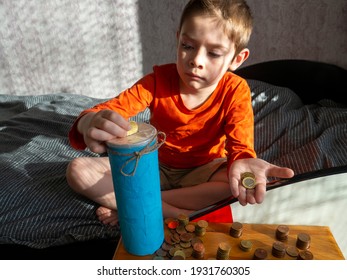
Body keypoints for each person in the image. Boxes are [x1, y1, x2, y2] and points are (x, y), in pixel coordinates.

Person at [66, 0, 294, 226]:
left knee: (232, 185)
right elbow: (105, 110)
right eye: (188, 46)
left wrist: (243, 163)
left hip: (204, 169)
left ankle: (137, 203)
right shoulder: (156, 82)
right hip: (152, 163)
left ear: (236, 59)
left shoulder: (235, 90)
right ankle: (169, 211)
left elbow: (241, 147)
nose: (196, 60)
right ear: (178, 40)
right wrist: (88, 123)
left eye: (214, 53)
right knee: (77, 171)